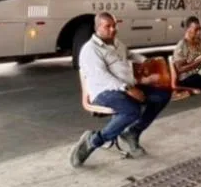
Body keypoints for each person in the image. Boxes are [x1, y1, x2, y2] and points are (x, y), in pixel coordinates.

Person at [70, 12, 172, 167]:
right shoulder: (90, 50)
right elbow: (102, 77)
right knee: (132, 110)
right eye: (108, 26)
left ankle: (133, 132)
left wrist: (147, 62)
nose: (113, 29)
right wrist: (128, 89)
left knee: (163, 94)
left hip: (126, 87)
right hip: (104, 92)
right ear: (98, 28)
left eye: (114, 26)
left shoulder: (116, 43)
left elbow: (130, 54)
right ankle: (93, 141)